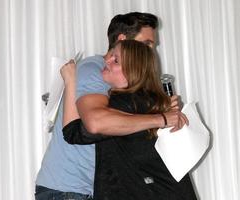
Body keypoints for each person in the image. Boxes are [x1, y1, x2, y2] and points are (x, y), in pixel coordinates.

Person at [35, 12, 187, 200]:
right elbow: (92, 124)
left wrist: (161, 109)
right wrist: (160, 118)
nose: (151, 50)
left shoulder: (126, 87)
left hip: (90, 189)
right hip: (70, 190)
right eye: (147, 43)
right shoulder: (95, 70)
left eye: (153, 46)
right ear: (122, 39)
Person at [61, 40, 198, 200]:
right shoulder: (148, 101)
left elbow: (74, 132)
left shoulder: (125, 102)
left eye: (116, 60)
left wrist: (71, 81)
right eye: (111, 56)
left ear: (133, 70)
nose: (107, 61)